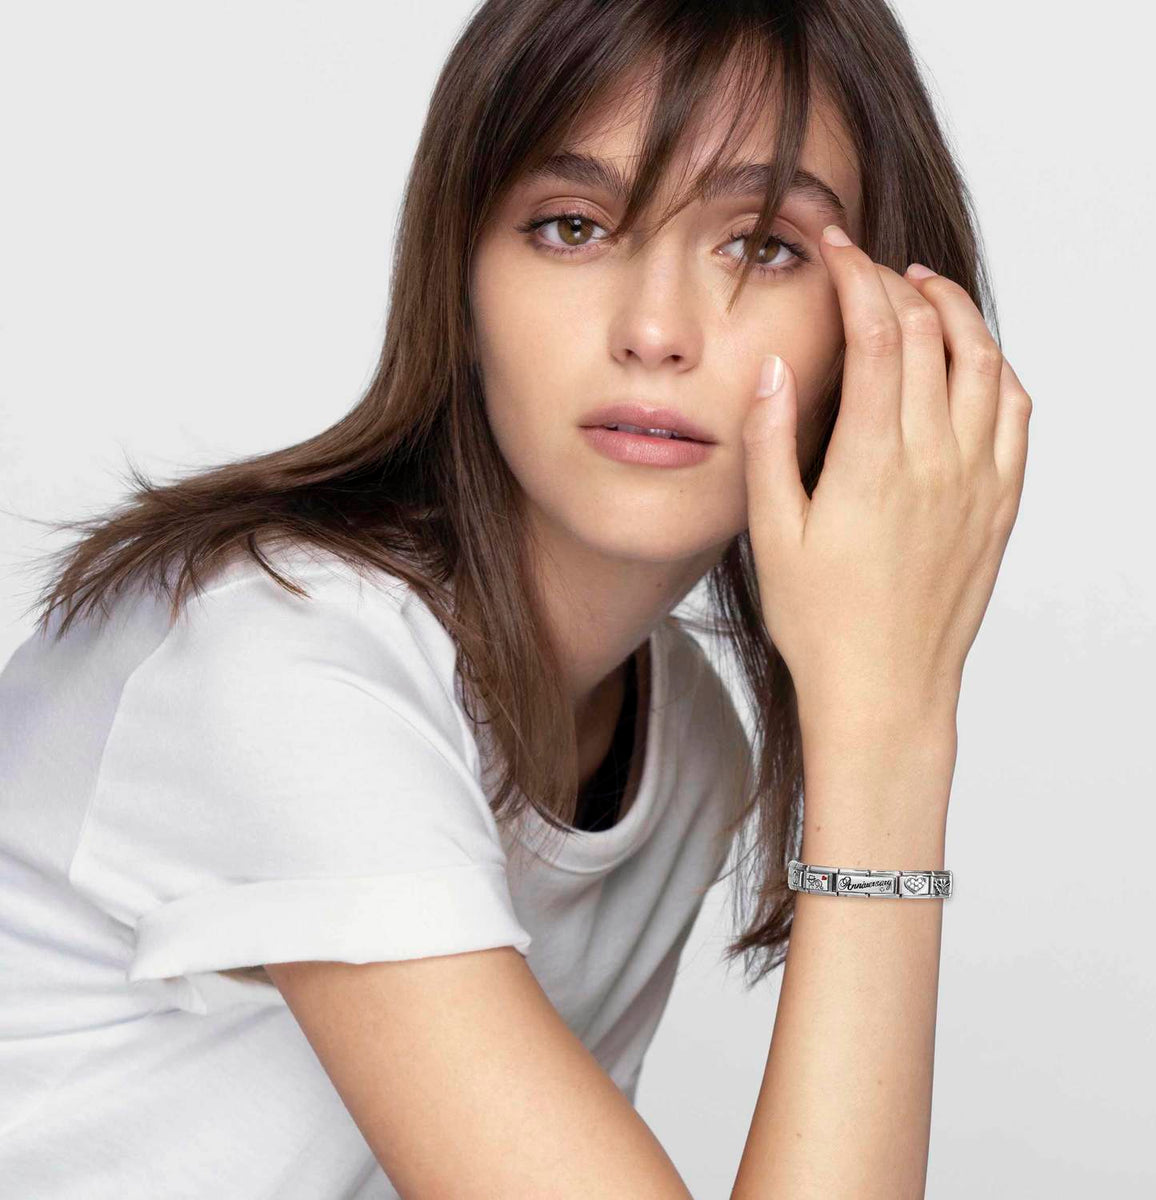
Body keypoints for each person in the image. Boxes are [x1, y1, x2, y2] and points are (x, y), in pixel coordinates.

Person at [0, 0, 1031, 1196]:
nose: (655, 330)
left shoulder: (683, 744)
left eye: (761, 245)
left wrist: (883, 715)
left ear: (890, 330)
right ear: (462, 285)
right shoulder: (283, 656)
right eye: (572, 226)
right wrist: (887, 719)